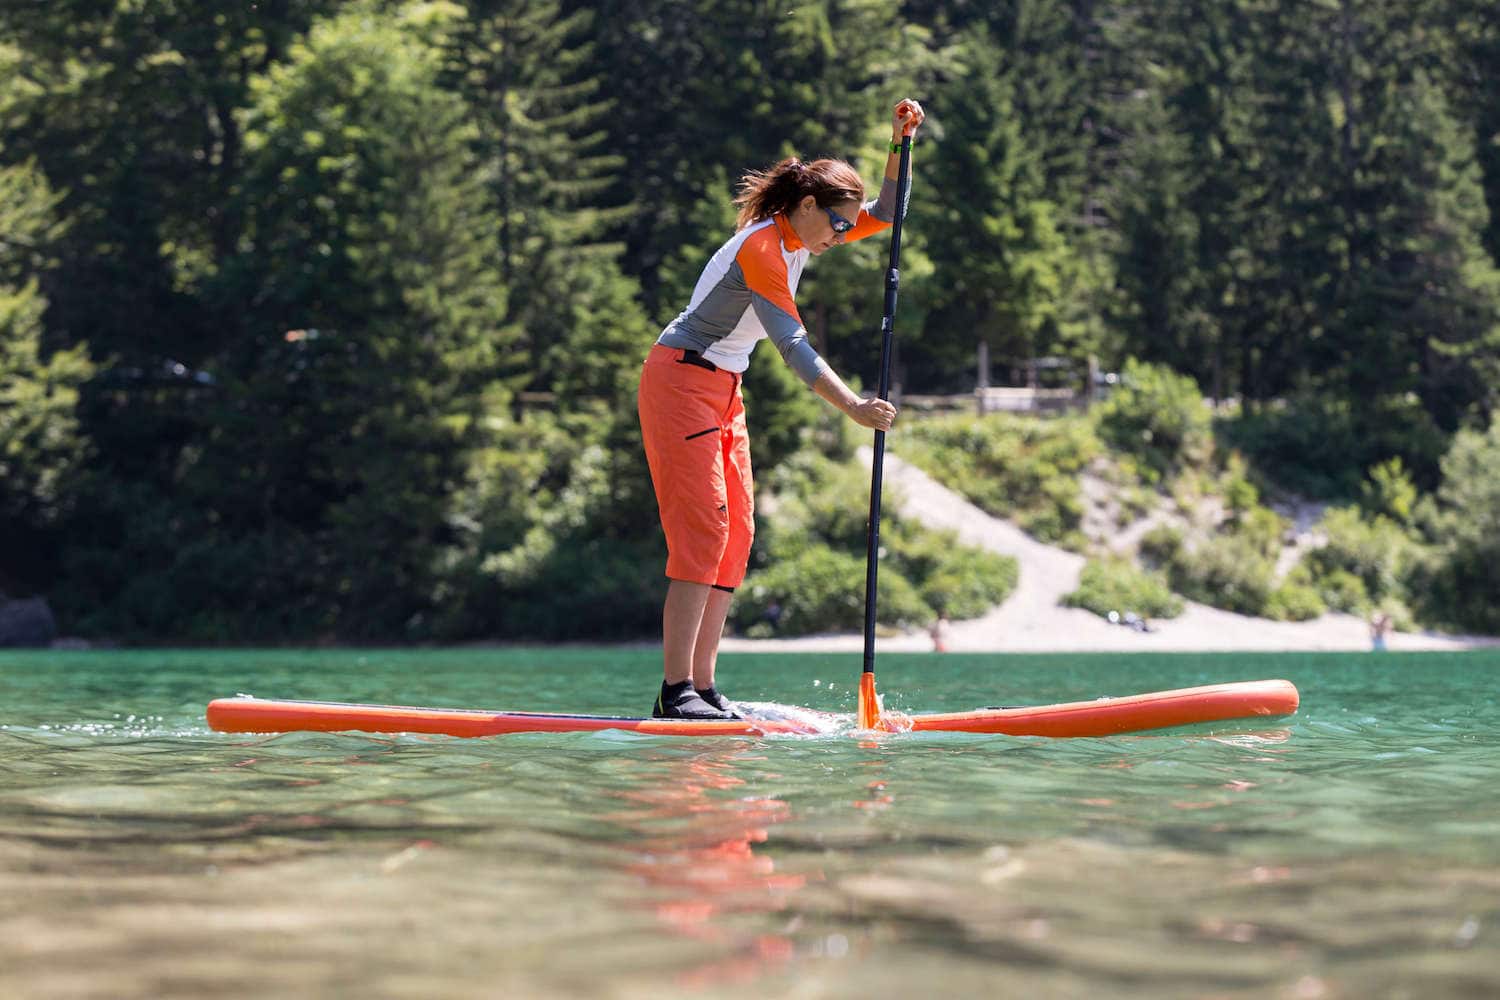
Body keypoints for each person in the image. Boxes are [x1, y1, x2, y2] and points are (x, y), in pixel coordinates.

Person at [638, 98, 926, 719]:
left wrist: (900, 144)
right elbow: (792, 345)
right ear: (804, 207)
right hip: (679, 382)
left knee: (737, 535)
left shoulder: (808, 235)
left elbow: (888, 214)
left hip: (723, 389)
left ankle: (704, 689)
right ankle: (674, 691)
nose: (845, 235)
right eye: (838, 225)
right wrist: (853, 405)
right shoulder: (764, 249)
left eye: (848, 228)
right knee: (704, 533)